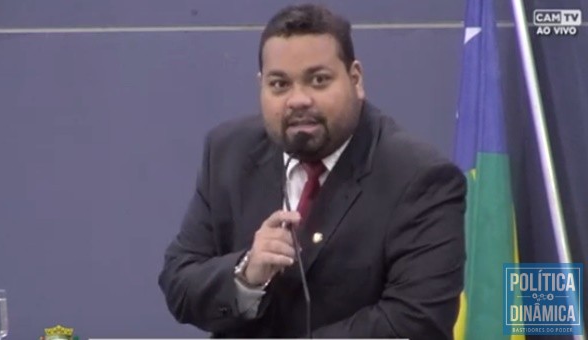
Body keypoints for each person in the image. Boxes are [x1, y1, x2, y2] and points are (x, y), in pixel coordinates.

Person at [159, 3, 466, 339]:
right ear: (261, 86)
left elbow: (416, 321)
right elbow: (179, 283)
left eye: (318, 80)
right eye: (280, 84)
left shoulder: (420, 177)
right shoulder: (227, 152)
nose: (298, 99)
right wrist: (247, 273)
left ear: (355, 79)